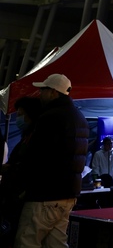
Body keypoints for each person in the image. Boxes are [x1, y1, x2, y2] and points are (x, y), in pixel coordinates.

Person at [14, 73, 88, 248]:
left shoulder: (51, 117)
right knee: (56, 243)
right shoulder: (80, 118)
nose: (40, 94)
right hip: (68, 194)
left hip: (46, 194)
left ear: (54, 92)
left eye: (43, 90)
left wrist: (24, 185)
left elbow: (39, 156)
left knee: (26, 241)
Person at [0, 97, 42, 248]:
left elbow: (28, 165)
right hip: (16, 194)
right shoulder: (27, 136)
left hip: (21, 196)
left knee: (22, 238)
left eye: (20, 114)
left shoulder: (35, 137)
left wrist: (9, 168)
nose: (18, 118)